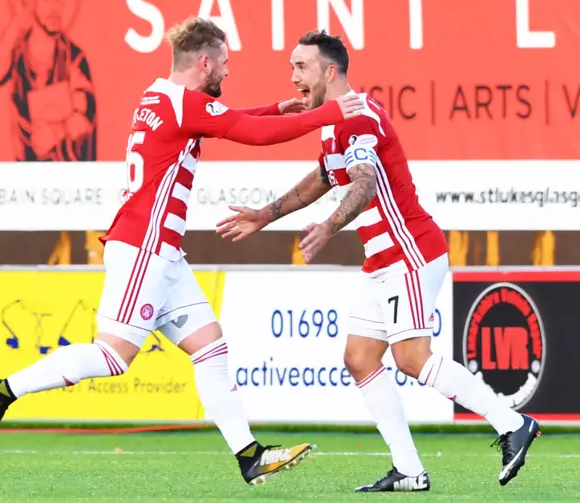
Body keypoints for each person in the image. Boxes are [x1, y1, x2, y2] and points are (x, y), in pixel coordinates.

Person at [0, 18, 365, 486]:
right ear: (204, 62)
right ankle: (1, 390)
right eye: (224, 63)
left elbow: (228, 122)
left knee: (211, 346)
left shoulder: (159, 96)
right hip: (145, 247)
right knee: (114, 356)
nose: (227, 71)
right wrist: (332, 112)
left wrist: (279, 108)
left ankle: (249, 455)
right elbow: (248, 133)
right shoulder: (185, 106)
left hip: (161, 253)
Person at [216, 30, 540, 492]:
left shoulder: (359, 117)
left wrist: (328, 227)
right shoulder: (334, 123)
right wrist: (264, 216)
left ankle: (512, 424)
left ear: (330, 72)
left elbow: (364, 181)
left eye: (301, 68)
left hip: (409, 252)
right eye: (291, 69)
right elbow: (322, 179)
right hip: (382, 260)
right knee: (361, 357)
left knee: (411, 358)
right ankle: (408, 469)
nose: (293, 79)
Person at [0, 0, 96, 161]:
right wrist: (16, 26)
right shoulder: (18, 55)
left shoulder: (72, 58)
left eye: (59, 0)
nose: (55, 8)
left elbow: (86, 114)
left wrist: (58, 131)